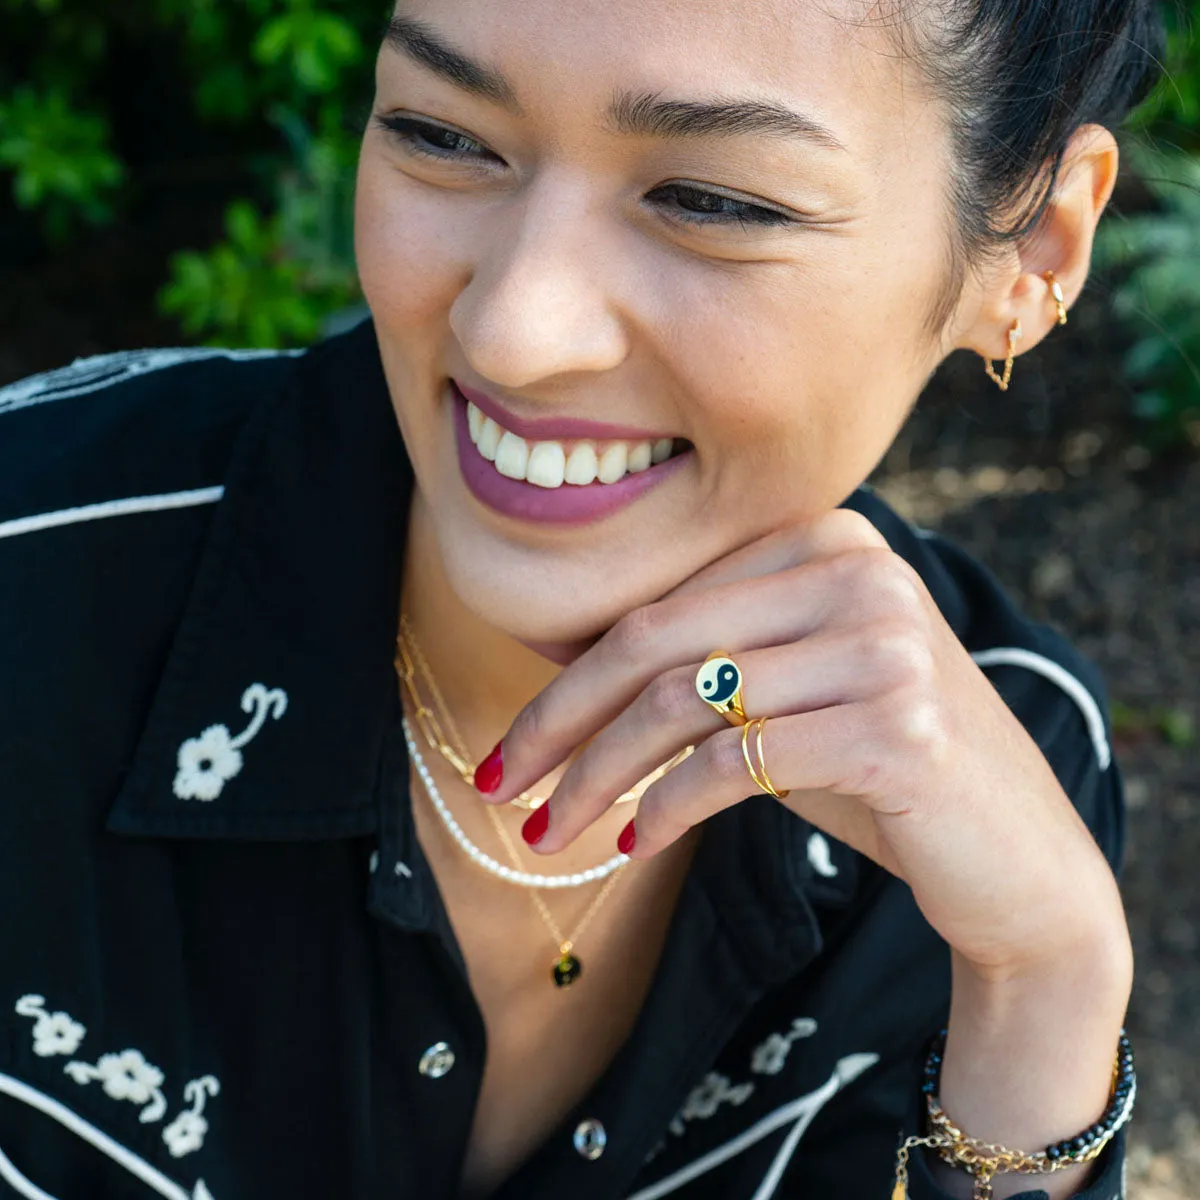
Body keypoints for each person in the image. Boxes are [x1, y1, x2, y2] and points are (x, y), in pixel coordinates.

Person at [0, 1, 1163, 1197]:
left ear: (1035, 250)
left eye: (712, 200)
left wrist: (1048, 988)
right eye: (443, 135)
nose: (511, 332)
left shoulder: (994, 783)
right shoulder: (28, 570)